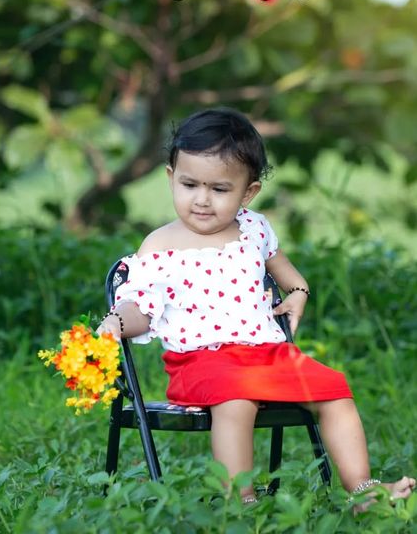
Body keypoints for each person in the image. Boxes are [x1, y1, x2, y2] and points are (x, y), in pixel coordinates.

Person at [97, 107, 415, 508]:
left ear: (248, 192)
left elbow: (290, 276)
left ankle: (363, 490)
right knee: (236, 398)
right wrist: (116, 322)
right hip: (201, 361)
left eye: (219, 189)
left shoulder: (255, 229)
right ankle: (239, 498)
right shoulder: (160, 245)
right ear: (170, 177)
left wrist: (298, 292)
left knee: (335, 389)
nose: (201, 200)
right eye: (189, 184)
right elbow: (139, 306)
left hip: (270, 355)